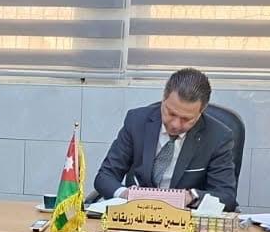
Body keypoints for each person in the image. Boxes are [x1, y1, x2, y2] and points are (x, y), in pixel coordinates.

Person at [92, 67, 238, 209]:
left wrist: (191, 196)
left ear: (201, 111)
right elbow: (105, 177)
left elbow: (226, 196)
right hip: (136, 214)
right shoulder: (136, 121)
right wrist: (125, 194)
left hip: (185, 219)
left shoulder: (218, 137)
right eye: (171, 113)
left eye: (186, 119)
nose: (175, 124)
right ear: (163, 99)